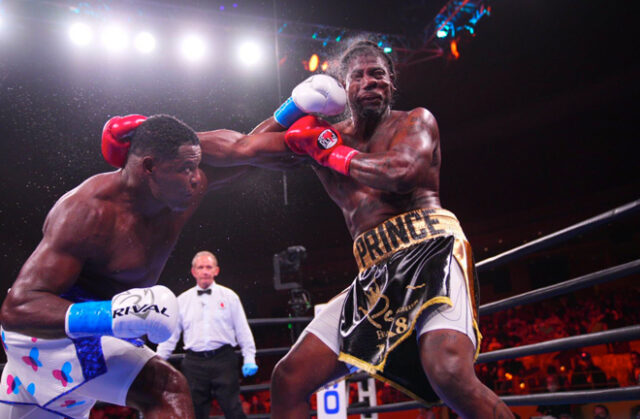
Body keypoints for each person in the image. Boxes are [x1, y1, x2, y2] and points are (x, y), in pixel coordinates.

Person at [240, 40, 514, 418]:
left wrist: (330, 153)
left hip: (430, 248)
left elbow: (401, 173)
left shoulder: (415, 121)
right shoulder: (327, 134)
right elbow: (249, 148)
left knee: (448, 373)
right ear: (344, 87)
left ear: (391, 83)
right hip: (374, 270)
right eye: (359, 76)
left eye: (378, 75)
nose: (370, 82)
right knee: (288, 378)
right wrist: (294, 107)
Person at [0, 114, 295, 418]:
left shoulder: (180, 190)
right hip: (49, 335)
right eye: (185, 168)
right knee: (166, 389)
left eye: (195, 165)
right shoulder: (87, 211)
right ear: (150, 167)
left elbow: (245, 152)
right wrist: (113, 314)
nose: (197, 177)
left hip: (99, 335)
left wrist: (293, 111)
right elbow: (16, 309)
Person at [156, 251, 258, 419]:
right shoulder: (182, 300)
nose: (205, 271)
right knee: (196, 412)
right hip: (194, 363)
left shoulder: (230, 297)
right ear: (193, 272)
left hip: (223, 359)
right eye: (201, 267)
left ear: (216, 271)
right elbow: (171, 336)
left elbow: (242, 330)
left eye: (208, 267)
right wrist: (158, 361)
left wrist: (249, 358)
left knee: (233, 409)